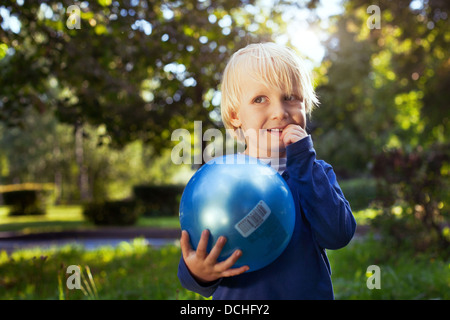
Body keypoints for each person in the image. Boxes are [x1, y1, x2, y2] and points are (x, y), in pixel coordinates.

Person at [177, 42, 356, 299]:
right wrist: (199, 272)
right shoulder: (221, 182)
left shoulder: (316, 172)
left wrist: (304, 162)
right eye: (260, 99)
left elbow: (338, 235)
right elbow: (194, 264)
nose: (279, 112)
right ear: (235, 114)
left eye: (290, 98)